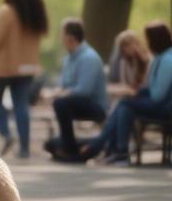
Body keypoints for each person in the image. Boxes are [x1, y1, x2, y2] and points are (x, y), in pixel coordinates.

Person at [83, 22, 172, 166]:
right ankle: (119, 153)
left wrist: (139, 93)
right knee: (124, 107)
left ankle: (105, 148)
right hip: (160, 104)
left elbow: (158, 96)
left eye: (148, 39)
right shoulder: (162, 58)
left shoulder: (168, 61)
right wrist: (139, 93)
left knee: (125, 104)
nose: (147, 43)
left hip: (165, 108)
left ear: (156, 39)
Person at [0, 0, 49, 158]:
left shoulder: (6, 12)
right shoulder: (35, 14)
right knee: (21, 105)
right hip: (26, 68)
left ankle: (6, 134)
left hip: (1, 67)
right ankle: (24, 148)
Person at [50, 18, 107, 162]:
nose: (61, 39)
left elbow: (84, 90)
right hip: (75, 102)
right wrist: (56, 92)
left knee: (61, 103)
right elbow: (64, 86)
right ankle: (74, 146)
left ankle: (69, 150)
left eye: (62, 35)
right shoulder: (68, 59)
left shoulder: (89, 57)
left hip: (94, 105)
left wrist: (61, 94)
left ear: (70, 38)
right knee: (49, 144)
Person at [107, 30, 151, 97]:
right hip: (129, 94)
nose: (125, 49)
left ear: (137, 44)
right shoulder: (124, 62)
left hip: (143, 94)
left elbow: (146, 85)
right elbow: (124, 84)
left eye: (127, 45)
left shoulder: (148, 61)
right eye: (123, 47)